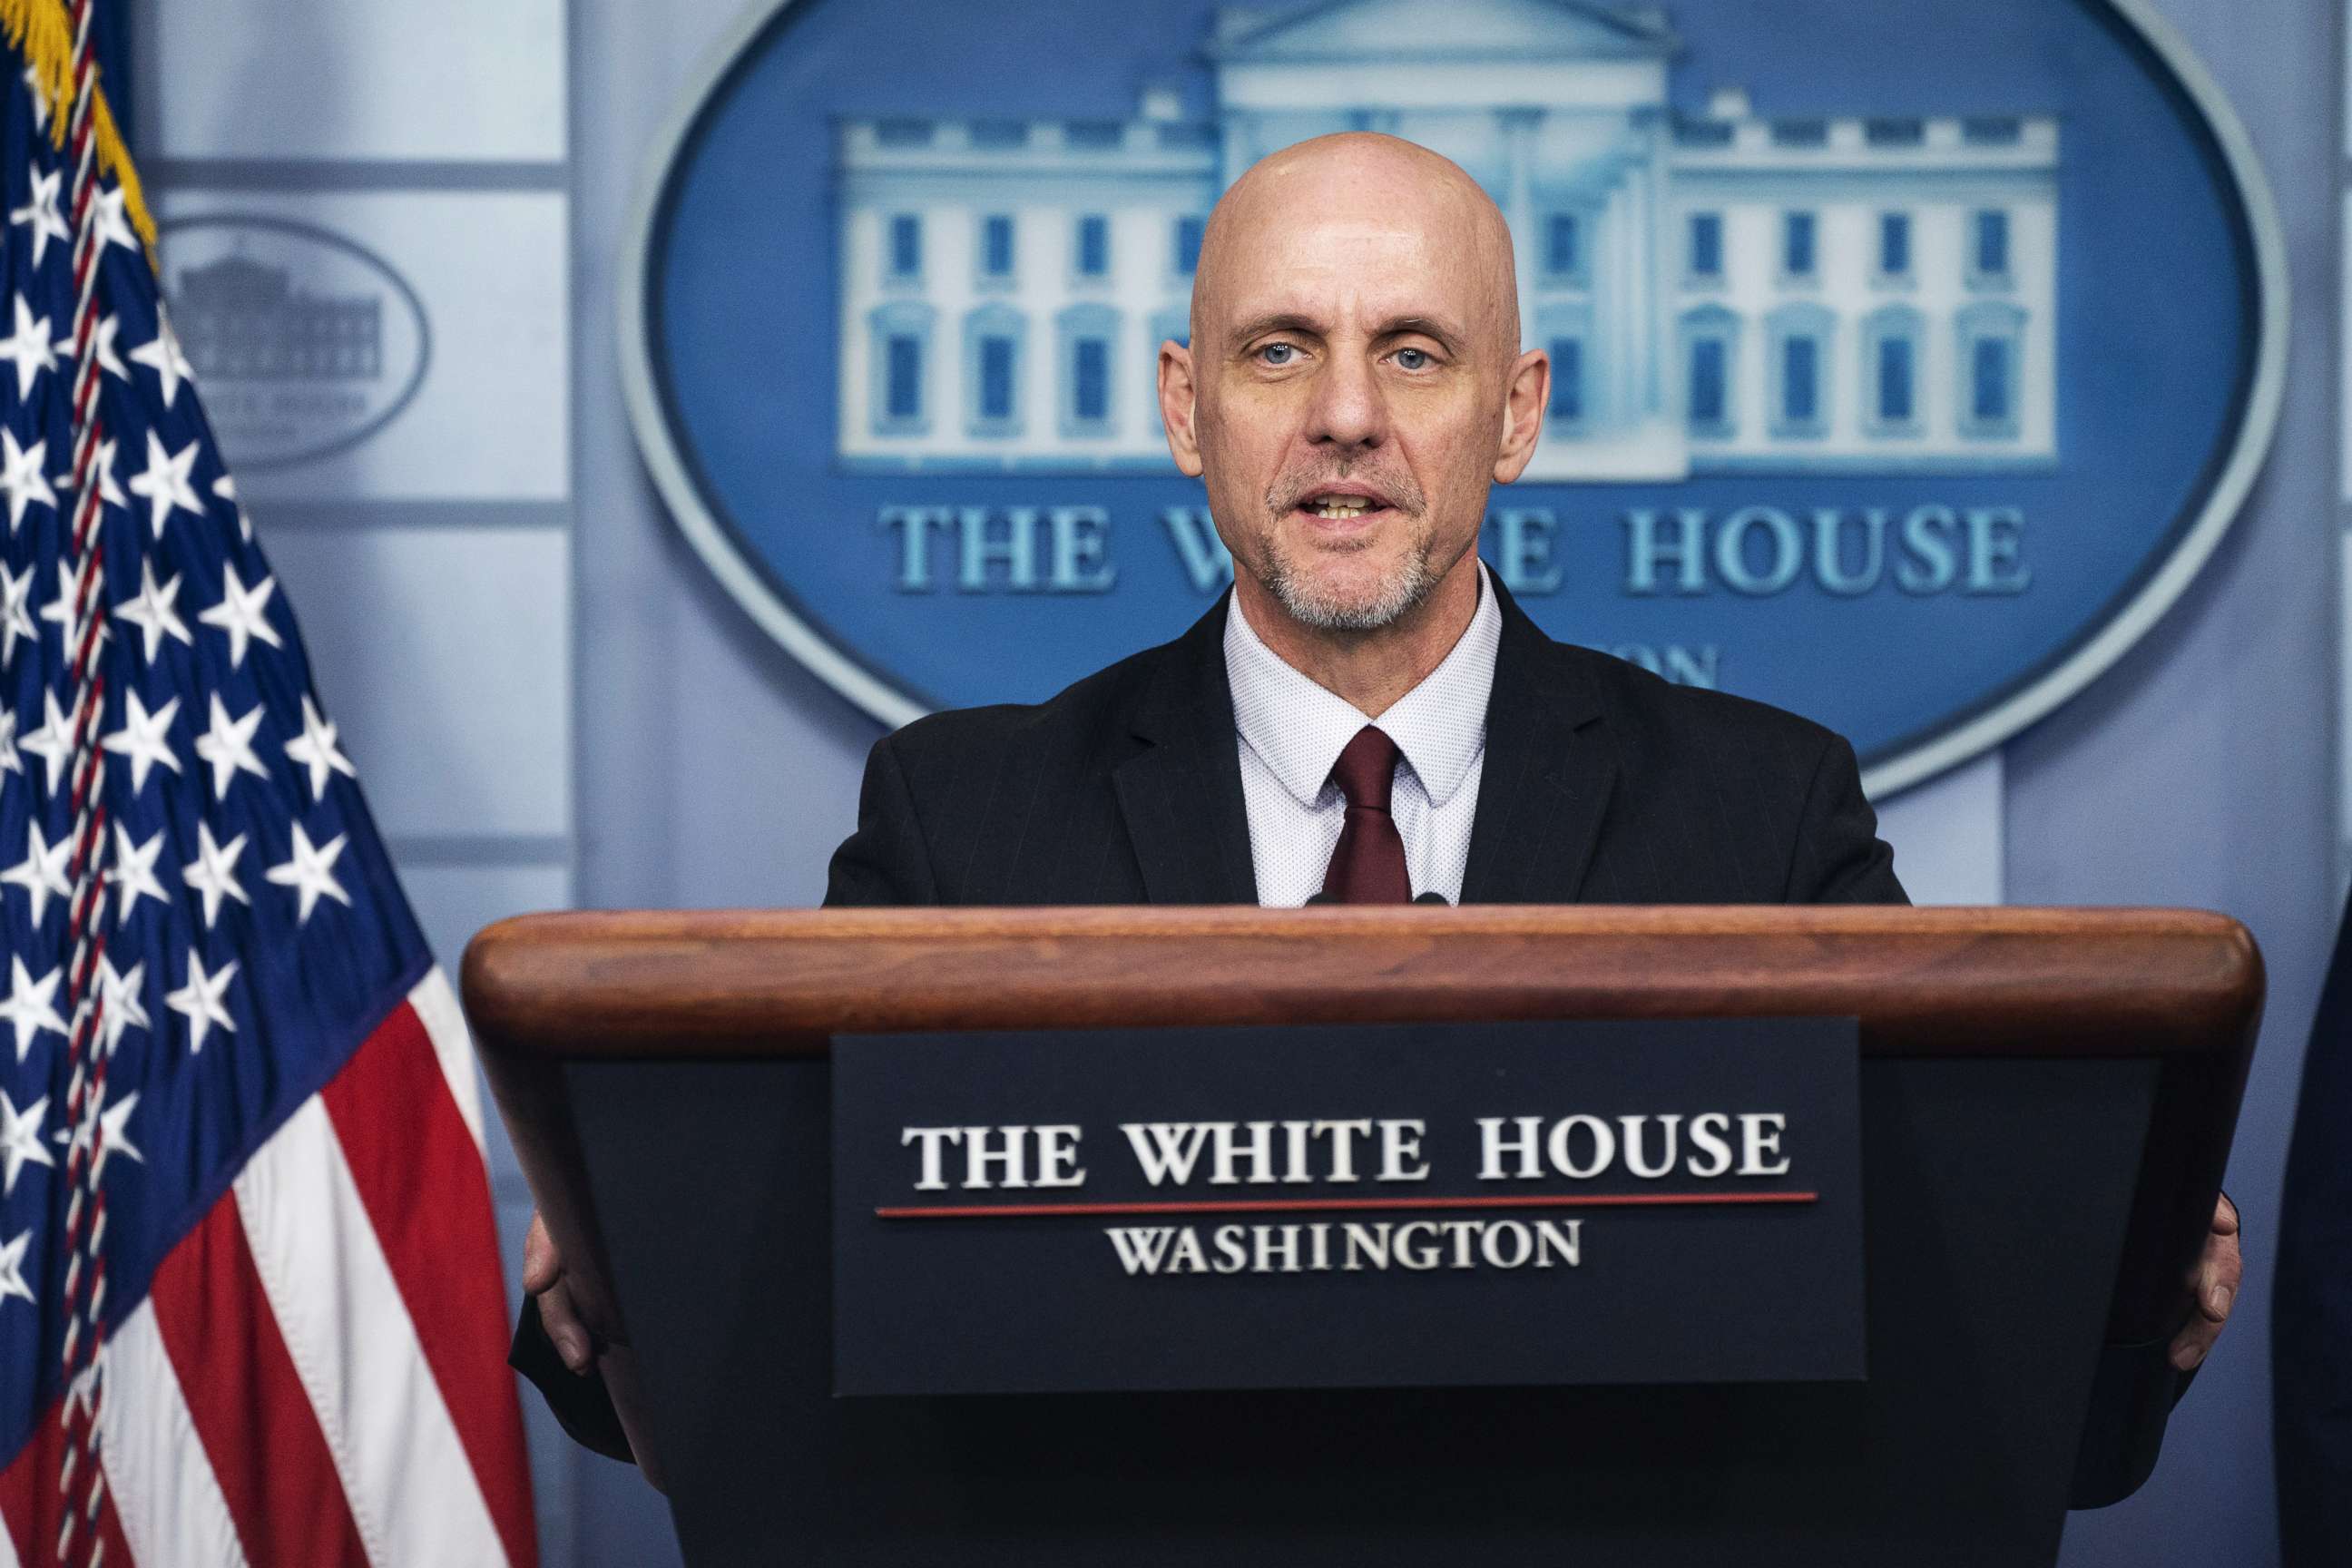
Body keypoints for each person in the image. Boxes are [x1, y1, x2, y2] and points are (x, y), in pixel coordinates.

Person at [514, 132, 2237, 1461]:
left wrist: (2117, 1292)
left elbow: (1945, 1358)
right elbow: (769, 1367)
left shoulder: (1765, 814)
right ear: (1187, 411)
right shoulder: (963, 824)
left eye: (1415, 353)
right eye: (1279, 352)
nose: (1345, 417)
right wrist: (626, 1282)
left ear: (1519, 413)